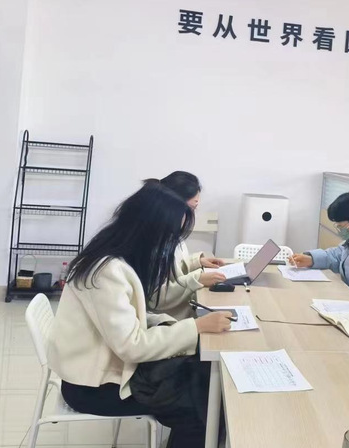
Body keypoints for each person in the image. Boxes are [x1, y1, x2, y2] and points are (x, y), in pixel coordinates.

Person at [48, 181, 233, 448]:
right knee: (203, 409)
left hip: (114, 367)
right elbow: (132, 347)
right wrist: (195, 328)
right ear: (150, 230)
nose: (171, 245)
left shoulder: (117, 256)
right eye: (170, 236)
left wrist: (184, 326)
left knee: (205, 381)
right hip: (94, 387)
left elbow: (137, 315)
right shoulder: (106, 271)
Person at [152, 171, 226, 319]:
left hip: (182, 312)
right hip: (168, 319)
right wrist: (196, 279)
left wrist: (197, 262)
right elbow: (155, 298)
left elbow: (173, 268)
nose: (192, 215)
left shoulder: (170, 233)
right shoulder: (153, 240)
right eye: (191, 209)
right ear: (172, 205)